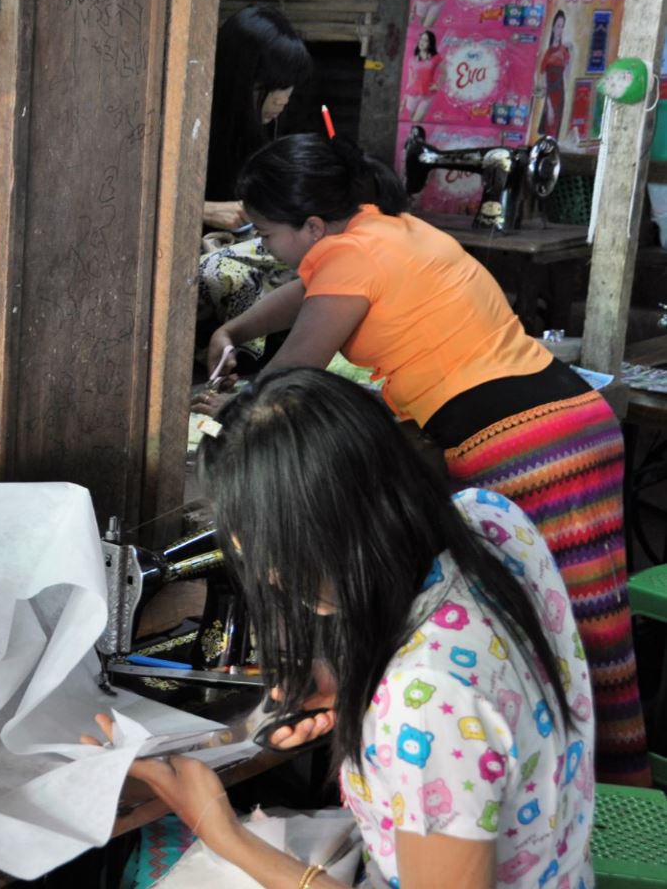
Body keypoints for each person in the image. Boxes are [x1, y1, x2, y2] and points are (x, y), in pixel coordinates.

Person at [197, 132, 650, 784]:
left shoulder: (352, 254)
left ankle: (580, 789)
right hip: (574, 421)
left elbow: (294, 373)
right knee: (585, 618)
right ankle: (610, 781)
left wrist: (230, 412)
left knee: (559, 629)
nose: (263, 247)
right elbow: (308, 294)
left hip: (526, 445)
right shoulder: (385, 232)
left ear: (314, 225)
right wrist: (235, 329)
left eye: (267, 235)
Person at [90, 368, 594, 888]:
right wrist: (347, 677)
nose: (268, 576)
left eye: (269, 554)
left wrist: (222, 833)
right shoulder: (488, 520)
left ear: (331, 531)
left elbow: (439, 703)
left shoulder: (421, 705)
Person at [196, 5, 312, 370]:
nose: (284, 98)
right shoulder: (190, 124)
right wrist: (203, 209)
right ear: (242, 79)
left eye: (288, 87)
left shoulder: (256, 135)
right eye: (275, 87)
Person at [536, 10, 572, 139]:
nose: (560, 30)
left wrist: (571, 53)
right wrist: (548, 104)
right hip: (550, 97)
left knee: (554, 133)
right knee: (548, 130)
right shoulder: (548, 53)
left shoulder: (564, 50)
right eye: (558, 26)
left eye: (562, 26)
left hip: (560, 95)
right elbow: (543, 80)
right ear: (552, 28)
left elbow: (567, 75)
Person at [403, 29, 442, 123]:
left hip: (427, 95)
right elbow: (410, 79)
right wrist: (405, 96)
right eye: (421, 39)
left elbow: (445, 72)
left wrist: (438, 85)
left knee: (416, 120)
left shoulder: (436, 58)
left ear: (430, 43)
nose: (422, 42)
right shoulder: (412, 59)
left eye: (426, 40)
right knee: (412, 120)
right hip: (412, 94)